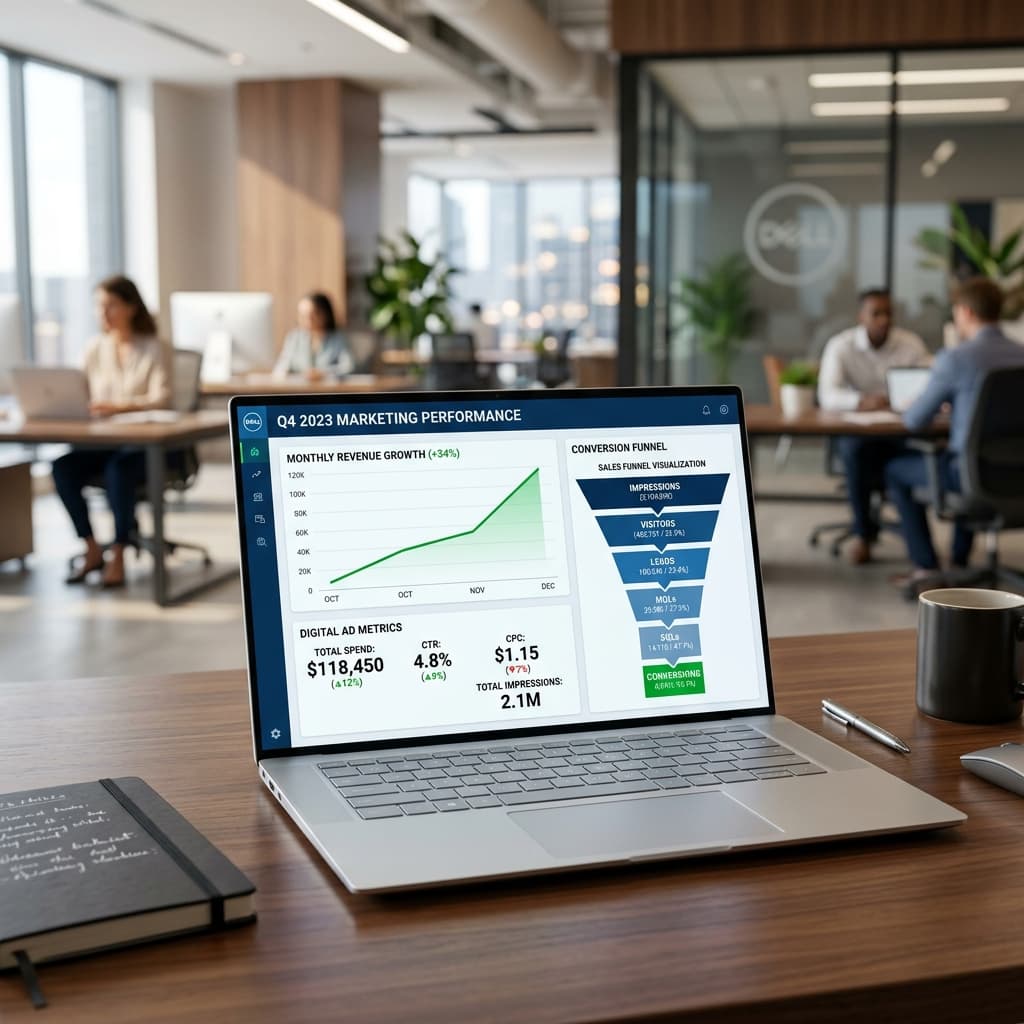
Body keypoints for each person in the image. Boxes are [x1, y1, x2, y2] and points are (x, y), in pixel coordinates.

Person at [885, 277, 1024, 590]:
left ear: (965, 312)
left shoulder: (956, 359)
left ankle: (925, 565)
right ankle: (959, 560)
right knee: (968, 455)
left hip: (971, 476)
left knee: (895, 469)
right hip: (1020, 476)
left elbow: (915, 421)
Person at [52, 275, 171, 588]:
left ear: (130, 307)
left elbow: (162, 397)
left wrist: (120, 407)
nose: (102, 313)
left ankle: (118, 551)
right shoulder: (94, 348)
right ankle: (91, 548)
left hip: (145, 445)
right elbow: (77, 392)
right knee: (62, 467)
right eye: (98, 307)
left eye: (110, 306)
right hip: (103, 441)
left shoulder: (155, 348)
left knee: (119, 469)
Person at [817, 289, 930, 564]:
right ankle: (862, 534)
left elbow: (932, 380)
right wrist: (861, 400)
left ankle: (920, 549)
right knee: (854, 451)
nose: (883, 320)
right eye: (876, 313)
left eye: (888, 313)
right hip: (859, 430)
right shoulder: (841, 345)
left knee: (918, 456)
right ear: (861, 317)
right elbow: (827, 395)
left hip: (899, 430)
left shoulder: (910, 343)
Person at [273, 292, 352, 379]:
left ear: (325, 314)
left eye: (312, 315)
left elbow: (348, 367)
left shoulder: (339, 339)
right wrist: (285, 372)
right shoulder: (294, 338)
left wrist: (323, 373)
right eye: (302, 315)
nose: (307, 320)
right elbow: (281, 367)